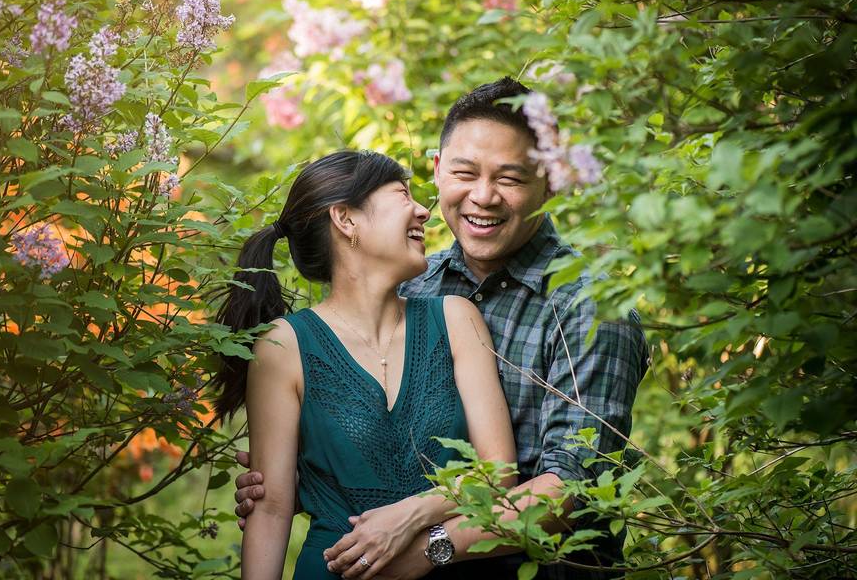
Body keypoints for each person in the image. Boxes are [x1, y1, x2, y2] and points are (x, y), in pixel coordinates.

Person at [233, 78, 650, 579]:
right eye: (464, 172)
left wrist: (427, 546)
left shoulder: (589, 307)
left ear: (552, 180)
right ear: (438, 170)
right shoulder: (411, 287)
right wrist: (299, 473)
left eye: (511, 179)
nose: (483, 196)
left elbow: (569, 488)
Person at [214, 149, 517, 579]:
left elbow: (498, 474)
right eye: (402, 195)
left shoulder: (456, 318)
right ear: (346, 219)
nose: (423, 211)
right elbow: (272, 508)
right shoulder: (284, 346)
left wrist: (413, 514)